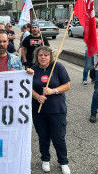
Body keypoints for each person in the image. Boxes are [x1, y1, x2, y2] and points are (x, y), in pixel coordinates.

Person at [31, 46, 71, 174]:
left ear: (50, 57)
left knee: (58, 137)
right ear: (37, 57)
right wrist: (37, 97)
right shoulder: (33, 70)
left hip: (57, 110)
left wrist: (53, 91)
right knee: (43, 136)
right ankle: (45, 159)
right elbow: (27, 87)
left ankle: (63, 162)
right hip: (39, 110)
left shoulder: (58, 67)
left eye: (46, 55)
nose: (43, 57)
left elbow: (67, 85)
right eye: (40, 55)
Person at [82, 18, 98, 86]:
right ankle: (84, 79)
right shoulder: (88, 29)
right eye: (97, 23)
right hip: (89, 50)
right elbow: (85, 39)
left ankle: (93, 78)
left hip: (96, 50)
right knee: (88, 65)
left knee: (95, 65)